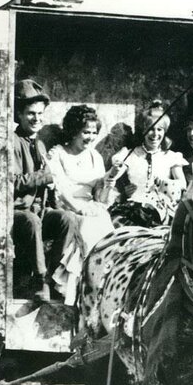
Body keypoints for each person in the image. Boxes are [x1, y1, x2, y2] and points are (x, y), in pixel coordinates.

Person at [10, 79, 79, 302]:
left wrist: (54, 201)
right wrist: (44, 177)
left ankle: (54, 278)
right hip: (17, 213)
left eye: (40, 114)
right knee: (31, 221)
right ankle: (39, 281)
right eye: (31, 113)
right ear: (19, 114)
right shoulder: (11, 142)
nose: (37, 119)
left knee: (66, 219)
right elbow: (12, 181)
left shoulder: (38, 144)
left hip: (39, 210)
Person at [46, 104, 121, 302]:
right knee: (88, 224)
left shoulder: (95, 156)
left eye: (93, 132)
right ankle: (78, 289)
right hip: (67, 207)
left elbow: (101, 197)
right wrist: (81, 209)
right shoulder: (58, 154)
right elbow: (59, 189)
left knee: (104, 221)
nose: (90, 137)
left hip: (91, 206)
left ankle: (101, 285)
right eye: (85, 132)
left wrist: (109, 181)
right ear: (73, 130)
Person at [108, 100, 188, 227]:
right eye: (150, 129)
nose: (155, 134)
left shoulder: (171, 157)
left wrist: (166, 183)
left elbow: (183, 184)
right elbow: (113, 176)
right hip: (133, 209)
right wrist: (122, 191)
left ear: (165, 131)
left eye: (160, 129)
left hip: (161, 210)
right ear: (143, 131)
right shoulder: (130, 154)